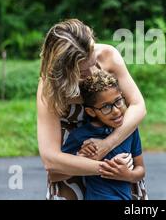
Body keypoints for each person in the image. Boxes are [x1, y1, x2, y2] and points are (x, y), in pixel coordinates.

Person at [37, 19, 147, 199]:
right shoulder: (50, 84)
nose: (93, 72)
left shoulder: (108, 56)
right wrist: (105, 167)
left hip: (117, 147)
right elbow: (50, 159)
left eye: (93, 62)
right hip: (72, 161)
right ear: (64, 70)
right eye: (83, 71)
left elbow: (138, 106)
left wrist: (107, 145)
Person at [62, 70, 145, 200]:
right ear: (91, 111)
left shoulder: (130, 130)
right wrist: (80, 158)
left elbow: (140, 169)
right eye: (106, 107)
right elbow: (55, 175)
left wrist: (128, 175)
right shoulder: (80, 136)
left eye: (118, 101)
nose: (116, 111)